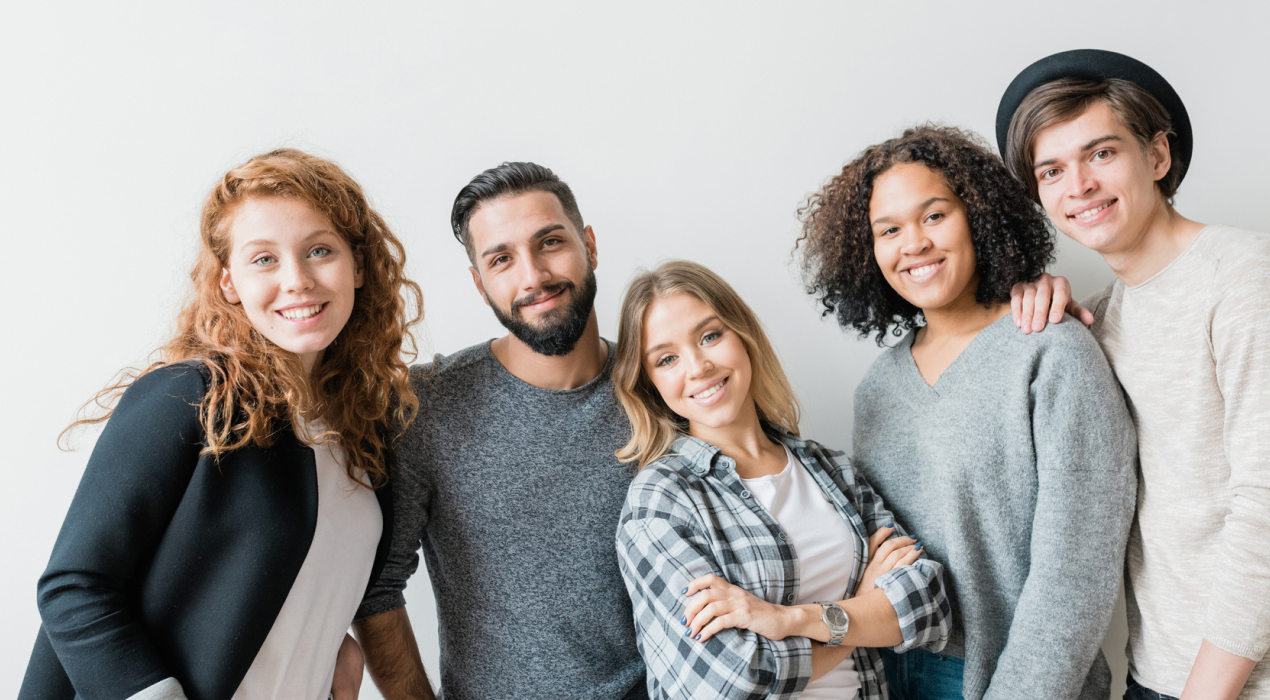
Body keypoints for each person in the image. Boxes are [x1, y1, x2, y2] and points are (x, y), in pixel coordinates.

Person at [997, 49, 1270, 700]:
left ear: (1158, 157)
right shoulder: (1102, 319)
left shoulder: (1251, 280)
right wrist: (1038, 308)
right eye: (1051, 170)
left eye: (1101, 153)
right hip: (1155, 679)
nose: (1077, 185)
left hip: (1268, 690)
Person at [19, 148, 422, 700]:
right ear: (229, 282)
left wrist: (334, 656)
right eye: (264, 259)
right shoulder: (189, 396)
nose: (297, 280)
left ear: (357, 264)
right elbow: (74, 586)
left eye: (319, 250)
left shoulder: (363, 431)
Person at [795, 125, 1139, 700]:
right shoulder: (878, 388)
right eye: (889, 229)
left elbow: (1076, 574)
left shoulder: (1051, 350)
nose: (914, 243)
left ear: (977, 217)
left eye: (934, 216)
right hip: (891, 672)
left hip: (1013, 677)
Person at [351, 162, 646, 700]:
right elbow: (376, 590)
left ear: (590, 246)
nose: (532, 276)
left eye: (550, 242)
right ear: (479, 283)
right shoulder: (427, 406)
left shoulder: (666, 390)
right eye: (502, 259)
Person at [610, 260, 953, 700]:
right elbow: (727, 681)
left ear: (743, 335)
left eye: (710, 336)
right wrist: (861, 613)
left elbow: (927, 602)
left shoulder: (829, 468)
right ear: (650, 383)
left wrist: (787, 619)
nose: (697, 367)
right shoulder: (661, 501)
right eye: (667, 359)